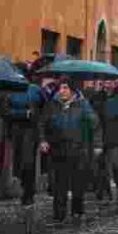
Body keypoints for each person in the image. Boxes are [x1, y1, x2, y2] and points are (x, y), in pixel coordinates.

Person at [38, 78, 100, 223]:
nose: (62, 91)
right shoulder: (52, 105)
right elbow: (42, 123)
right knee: (59, 183)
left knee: (78, 182)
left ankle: (77, 210)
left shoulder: (82, 105)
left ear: (72, 90)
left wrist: (97, 143)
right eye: (60, 88)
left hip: (77, 148)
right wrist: (43, 140)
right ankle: (59, 213)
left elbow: (95, 123)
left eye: (65, 88)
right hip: (58, 148)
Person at [0, 67, 45, 208]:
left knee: (28, 162)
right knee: (19, 163)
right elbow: (3, 111)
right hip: (15, 130)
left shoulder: (35, 90)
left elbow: (44, 110)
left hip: (31, 131)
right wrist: (23, 114)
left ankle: (28, 193)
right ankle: (25, 188)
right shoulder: (8, 92)